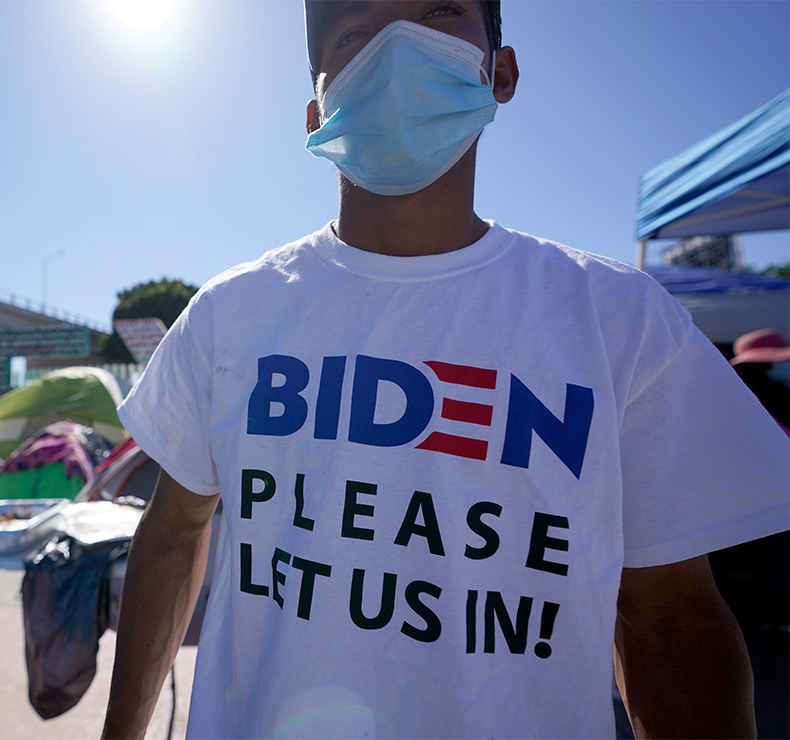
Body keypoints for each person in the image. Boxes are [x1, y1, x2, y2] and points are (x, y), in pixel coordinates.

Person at [102, 2, 790, 737]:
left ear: (502, 72)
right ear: (316, 111)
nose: (399, 49)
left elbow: (668, 620)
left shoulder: (621, 323)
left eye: (439, 14)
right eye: (357, 32)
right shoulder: (229, 313)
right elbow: (173, 535)